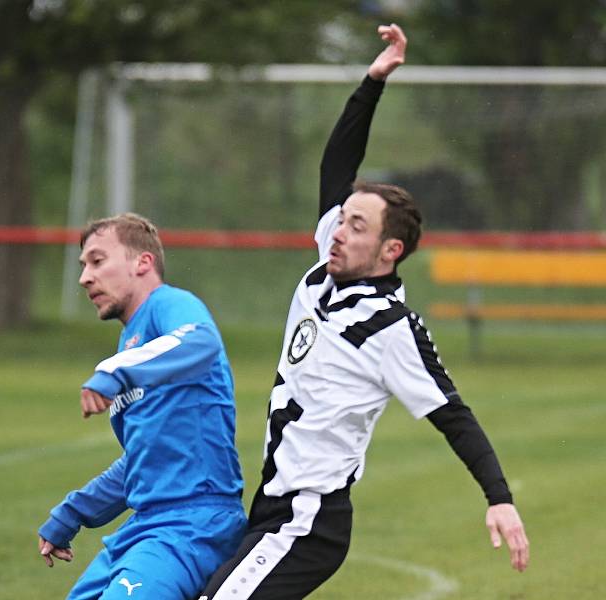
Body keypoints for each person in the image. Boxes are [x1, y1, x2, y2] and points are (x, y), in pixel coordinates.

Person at [199, 23, 529, 600]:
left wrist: (499, 498)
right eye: (343, 217)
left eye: (357, 225)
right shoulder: (328, 266)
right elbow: (337, 165)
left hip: (310, 522)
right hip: (271, 504)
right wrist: (372, 82)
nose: (339, 230)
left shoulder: (390, 327)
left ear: (389, 251)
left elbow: (453, 415)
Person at [37, 213, 246, 599]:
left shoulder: (171, 306)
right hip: (144, 529)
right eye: (83, 265)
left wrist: (115, 371)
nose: (84, 277)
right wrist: (73, 512)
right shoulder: (133, 347)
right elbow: (143, 459)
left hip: (192, 525)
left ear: (142, 263)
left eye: (97, 261)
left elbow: (201, 339)